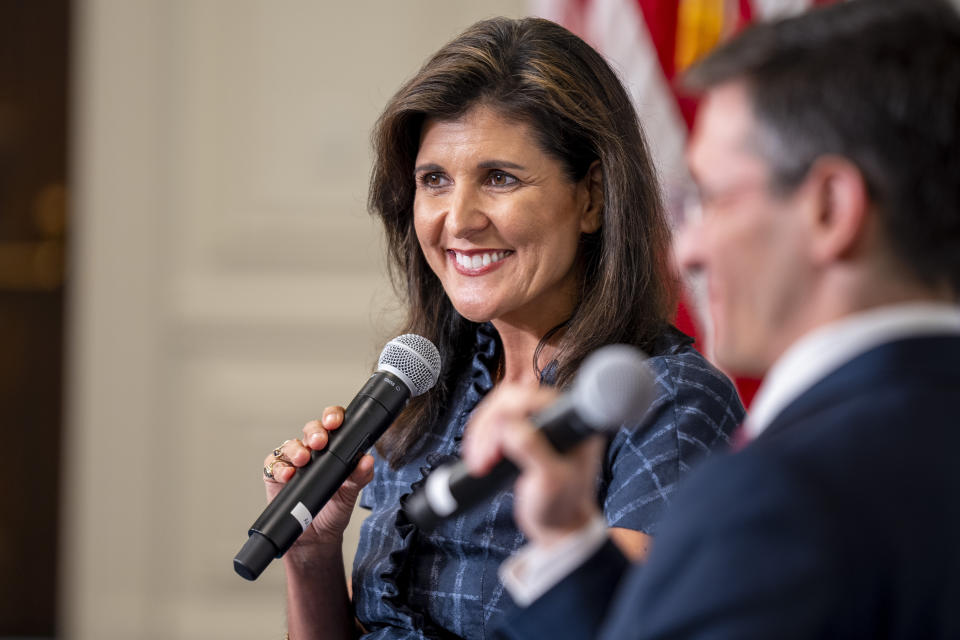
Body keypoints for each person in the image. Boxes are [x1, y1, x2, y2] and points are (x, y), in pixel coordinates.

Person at [460, 1, 960, 638]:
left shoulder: (777, 498)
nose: (685, 250)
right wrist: (567, 545)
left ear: (831, 208)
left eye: (712, 198)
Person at [259, 16, 745, 640]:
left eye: (499, 178)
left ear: (592, 197)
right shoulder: (429, 383)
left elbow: (628, 628)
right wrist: (312, 551)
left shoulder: (667, 400)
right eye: (435, 180)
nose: (457, 220)